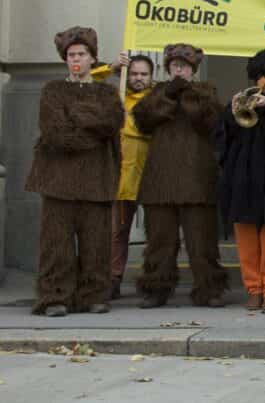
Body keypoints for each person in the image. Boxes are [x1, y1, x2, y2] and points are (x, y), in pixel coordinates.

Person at [26, 27, 124, 316]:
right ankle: (54, 297)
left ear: (93, 58)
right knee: (56, 243)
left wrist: (78, 118)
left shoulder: (107, 92)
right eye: (71, 55)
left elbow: (112, 123)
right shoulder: (53, 90)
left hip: (97, 178)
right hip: (58, 180)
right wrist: (92, 131)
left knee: (96, 242)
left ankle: (93, 295)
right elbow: (55, 133)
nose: (76, 59)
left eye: (81, 54)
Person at [133, 43, 228, 308]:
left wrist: (186, 95)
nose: (179, 70)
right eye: (175, 65)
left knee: (202, 240)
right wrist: (168, 95)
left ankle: (209, 289)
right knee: (160, 241)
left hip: (197, 177)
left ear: (193, 69)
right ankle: (155, 289)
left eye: (184, 66)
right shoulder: (158, 92)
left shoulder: (206, 91)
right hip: (161, 178)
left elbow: (210, 122)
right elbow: (143, 119)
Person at [217, 49, 265, 311]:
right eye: (260, 75)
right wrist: (232, 111)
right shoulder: (242, 99)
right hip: (243, 177)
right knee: (246, 237)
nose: (264, 81)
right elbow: (223, 135)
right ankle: (253, 289)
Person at [102, 53, 154, 300]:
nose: (138, 78)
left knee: (157, 234)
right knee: (117, 232)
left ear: (151, 76)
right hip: (122, 177)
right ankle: (113, 279)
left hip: (152, 176)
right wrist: (112, 68)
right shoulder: (117, 95)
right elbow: (88, 80)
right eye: (133, 73)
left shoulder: (158, 99)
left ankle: (153, 282)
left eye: (143, 74)